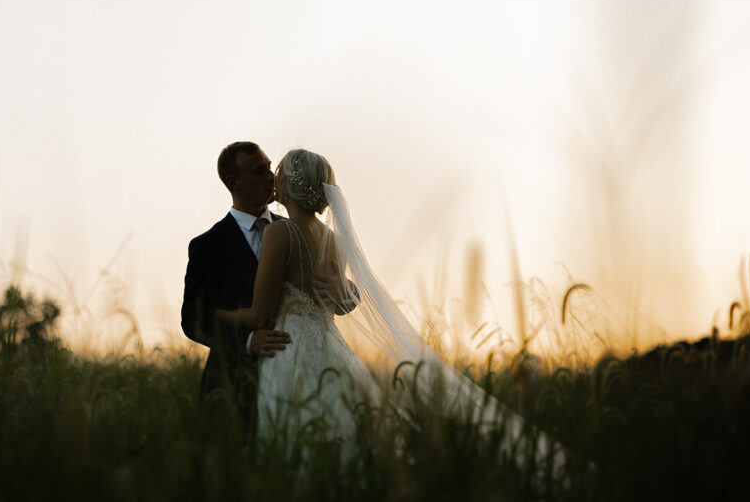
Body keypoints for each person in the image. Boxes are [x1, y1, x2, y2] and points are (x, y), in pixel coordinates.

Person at [213, 148, 563, 469]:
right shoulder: (335, 241)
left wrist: (214, 315)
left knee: (290, 444)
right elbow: (338, 304)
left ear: (291, 185)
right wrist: (344, 293)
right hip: (332, 351)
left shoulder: (280, 233)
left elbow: (260, 315)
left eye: (279, 172)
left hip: (287, 351)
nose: (274, 178)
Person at [181, 142, 354, 431]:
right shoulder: (207, 246)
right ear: (233, 182)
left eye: (270, 168)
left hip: (302, 370)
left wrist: (346, 292)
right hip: (235, 380)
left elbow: (332, 296)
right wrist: (247, 341)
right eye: (260, 172)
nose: (271, 177)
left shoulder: (295, 229)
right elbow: (192, 320)